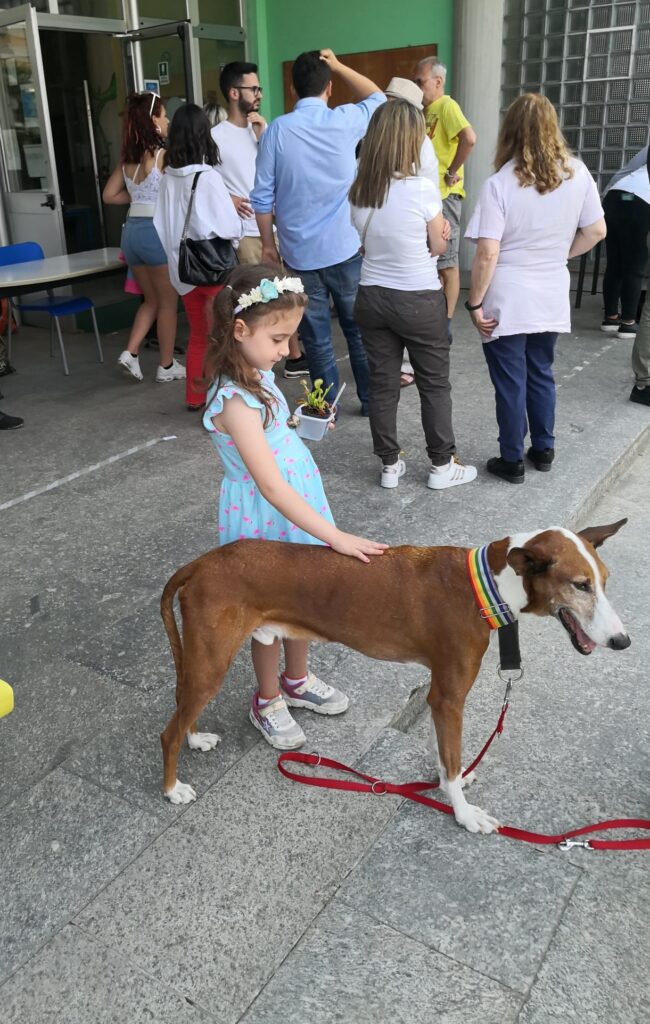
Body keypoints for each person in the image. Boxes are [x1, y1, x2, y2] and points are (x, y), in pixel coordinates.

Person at [202, 263, 387, 748]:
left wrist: (302, 426)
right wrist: (336, 537)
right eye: (279, 338)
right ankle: (266, 698)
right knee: (266, 613)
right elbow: (269, 485)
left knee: (301, 600)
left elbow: (276, 439)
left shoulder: (259, 377)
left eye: (291, 338)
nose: (288, 350)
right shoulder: (233, 401)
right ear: (240, 330)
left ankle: (297, 680)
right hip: (265, 520)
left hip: (298, 508)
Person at [465, 93, 606, 484]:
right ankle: (543, 448)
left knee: (510, 381)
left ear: (509, 130)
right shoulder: (578, 173)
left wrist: (473, 303)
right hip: (550, 290)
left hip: (507, 295)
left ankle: (511, 458)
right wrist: (561, 254)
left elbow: (487, 253)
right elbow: (596, 230)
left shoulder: (499, 184)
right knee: (541, 371)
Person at [349, 99, 476, 491]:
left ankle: (389, 465)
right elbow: (437, 248)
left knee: (382, 384)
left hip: (371, 296)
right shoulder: (421, 189)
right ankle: (441, 465)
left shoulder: (359, 191)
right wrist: (443, 235)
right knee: (434, 383)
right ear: (410, 141)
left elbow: (368, 246)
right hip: (418, 298)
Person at [252, 49, 385, 414]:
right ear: (329, 88)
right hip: (345, 250)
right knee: (358, 332)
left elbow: (262, 196)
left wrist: (267, 244)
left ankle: (325, 409)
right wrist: (339, 65)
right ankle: (371, 402)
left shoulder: (277, 130)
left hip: (298, 255)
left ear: (293, 91)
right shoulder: (345, 120)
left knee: (316, 339)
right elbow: (378, 97)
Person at [212, 61, 308, 378]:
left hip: (276, 226)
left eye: (259, 88)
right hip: (247, 233)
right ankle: (251, 370)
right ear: (233, 92)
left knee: (287, 294)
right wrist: (229, 199)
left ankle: (293, 356)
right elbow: (201, 185)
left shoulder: (262, 132)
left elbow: (277, 174)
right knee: (258, 304)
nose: (259, 95)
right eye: (253, 88)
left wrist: (263, 136)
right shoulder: (215, 137)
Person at [154, 104, 243, 410]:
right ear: (203, 135)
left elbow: (161, 226)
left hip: (184, 270)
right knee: (224, 336)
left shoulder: (167, 178)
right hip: (214, 270)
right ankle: (223, 401)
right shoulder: (207, 177)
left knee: (198, 337)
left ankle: (195, 397)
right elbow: (229, 226)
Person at [103, 92, 185, 384]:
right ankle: (165, 366)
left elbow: (108, 195)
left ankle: (131, 352)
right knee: (167, 301)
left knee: (150, 300)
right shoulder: (163, 154)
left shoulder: (129, 158)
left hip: (132, 233)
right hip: (155, 231)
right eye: (164, 115)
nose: (168, 120)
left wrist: (138, 196)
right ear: (153, 119)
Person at [413, 57, 476, 341]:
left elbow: (469, 138)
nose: (418, 86)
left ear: (438, 82)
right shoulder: (424, 111)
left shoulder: (447, 106)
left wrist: (452, 171)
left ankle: (446, 324)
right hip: (428, 196)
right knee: (434, 263)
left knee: (447, 262)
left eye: (420, 81)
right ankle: (436, 319)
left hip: (445, 196)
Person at [384, 76, 440, 388]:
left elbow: (428, 192)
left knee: (410, 300)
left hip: (415, 230)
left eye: (393, 103)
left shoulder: (422, 144)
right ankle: (398, 360)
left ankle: (408, 362)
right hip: (390, 229)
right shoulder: (377, 138)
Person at [601, 145, 650, 340]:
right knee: (635, 264)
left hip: (615, 196)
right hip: (642, 202)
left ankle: (611, 318)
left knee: (615, 262)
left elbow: (626, 170)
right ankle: (628, 323)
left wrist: (607, 196)